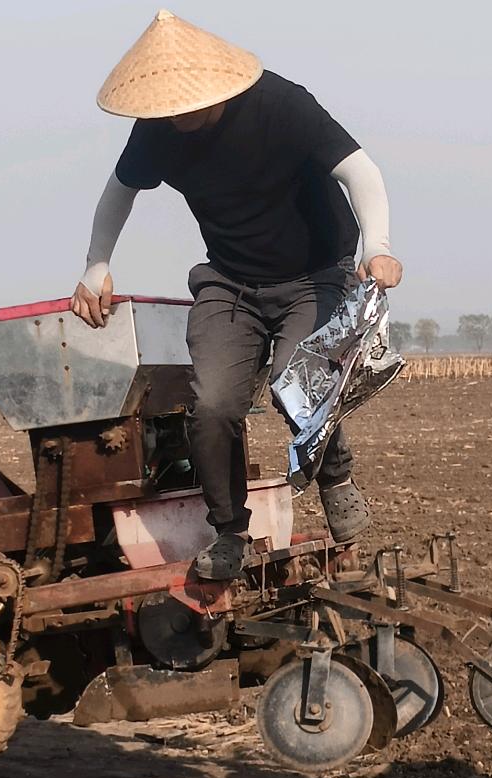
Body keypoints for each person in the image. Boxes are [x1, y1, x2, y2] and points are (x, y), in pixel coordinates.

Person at [71, 10, 403, 579]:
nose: (176, 118)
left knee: (294, 384)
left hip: (314, 274)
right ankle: (230, 531)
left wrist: (379, 246)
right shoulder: (159, 128)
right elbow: (119, 192)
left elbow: (360, 171)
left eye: (185, 104)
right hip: (230, 281)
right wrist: (96, 266)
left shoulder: (281, 103)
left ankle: (336, 475)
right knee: (212, 406)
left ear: (216, 87)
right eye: (166, 108)